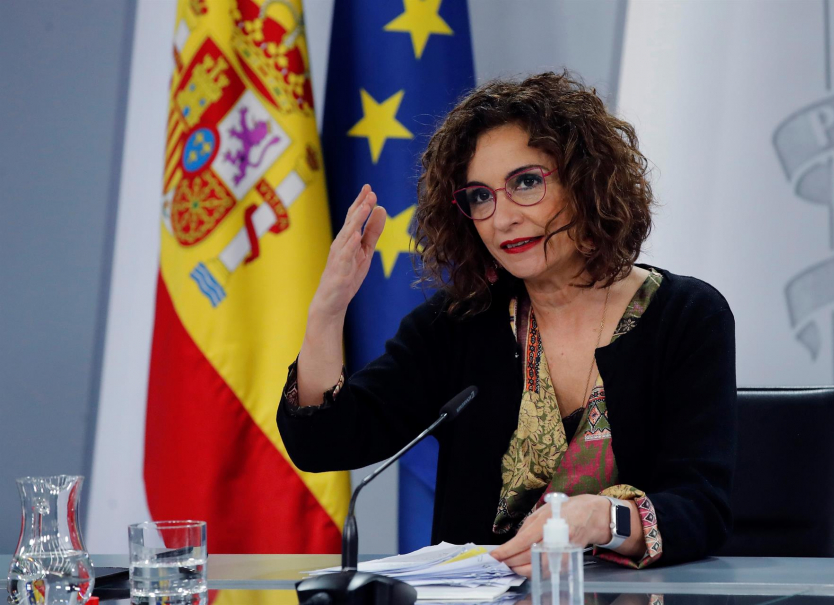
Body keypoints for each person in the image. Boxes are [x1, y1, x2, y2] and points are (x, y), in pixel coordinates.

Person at [277, 72, 736, 574]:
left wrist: (603, 518)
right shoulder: (458, 324)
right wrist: (327, 312)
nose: (502, 218)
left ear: (587, 181)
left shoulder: (686, 316)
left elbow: (703, 508)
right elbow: (322, 443)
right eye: (480, 196)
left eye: (526, 183)